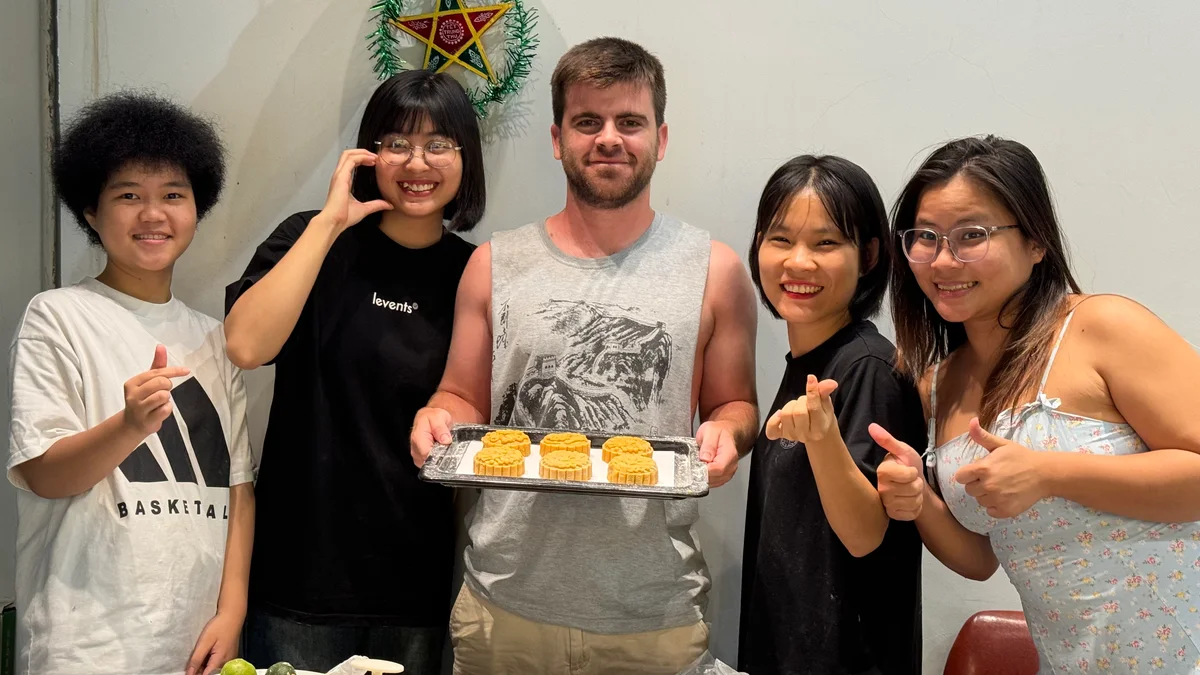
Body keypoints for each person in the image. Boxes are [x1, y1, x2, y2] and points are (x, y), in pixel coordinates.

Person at [409, 37, 759, 674]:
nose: (609, 139)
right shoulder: (494, 265)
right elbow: (460, 396)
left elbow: (736, 405)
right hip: (504, 606)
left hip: (653, 613)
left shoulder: (716, 270)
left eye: (630, 122)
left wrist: (727, 433)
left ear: (661, 136)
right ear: (556, 137)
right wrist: (435, 416)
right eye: (587, 122)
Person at [872, 135, 1200, 672]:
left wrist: (1050, 472)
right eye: (924, 237)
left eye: (972, 235)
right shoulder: (937, 387)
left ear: (1036, 242)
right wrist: (920, 500)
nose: (943, 259)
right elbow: (982, 557)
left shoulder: (1100, 327)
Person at [223, 70, 485, 672]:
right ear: (367, 153)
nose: (417, 162)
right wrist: (329, 222)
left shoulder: (474, 272)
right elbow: (244, 346)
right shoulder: (309, 239)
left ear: (466, 158)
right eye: (397, 143)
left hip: (413, 580)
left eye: (439, 144)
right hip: (298, 578)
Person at [7, 92, 254, 675]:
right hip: (86, 643)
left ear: (197, 208)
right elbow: (43, 472)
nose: (153, 214)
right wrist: (129, 426)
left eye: (173, 195)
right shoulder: (58, 315)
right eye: (128, 196)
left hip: (195, 642)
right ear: (90, 212)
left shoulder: (217, 340)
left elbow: (239, 486)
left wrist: (233, 610)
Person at [739, 155, 923, 675]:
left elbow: (866, 533)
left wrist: (823, 440)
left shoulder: (867, 367)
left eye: (825, 243)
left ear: (867, 256)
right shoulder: (808, 362)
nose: (798, 262)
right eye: (779, 240)